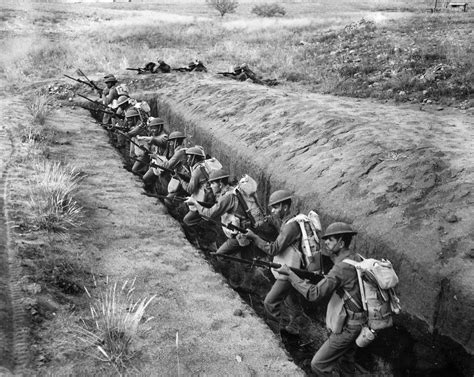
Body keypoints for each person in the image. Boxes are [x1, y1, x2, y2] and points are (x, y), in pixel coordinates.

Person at [277, 222, 365, 377]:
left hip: (349, 327)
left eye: (330, 240)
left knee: (318, 365)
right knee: (346, 363)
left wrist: (290, 275)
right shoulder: (356, 258)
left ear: (341, 242)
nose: (326, 242)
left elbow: (314, 294)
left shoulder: (341, 268)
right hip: (359, 321)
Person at [243, 190, 305, 335]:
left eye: (275, 207)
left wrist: (254, 237)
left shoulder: (290, 226)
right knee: (289, 300)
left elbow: (273, 249)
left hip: (289, 270)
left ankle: (280, 330)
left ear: (284, 207)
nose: (272, 211)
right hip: (289, 267)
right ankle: (296, 324)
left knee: (269, 302)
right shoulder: (288, 222)